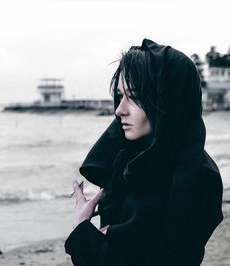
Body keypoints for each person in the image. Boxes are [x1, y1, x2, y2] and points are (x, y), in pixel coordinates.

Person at [65, 39, 223, 265]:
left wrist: (81, 227)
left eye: (135, 97)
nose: (119, 110)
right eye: (120, 96)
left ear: (169, 101)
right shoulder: (130, 162)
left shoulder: (196, 180)